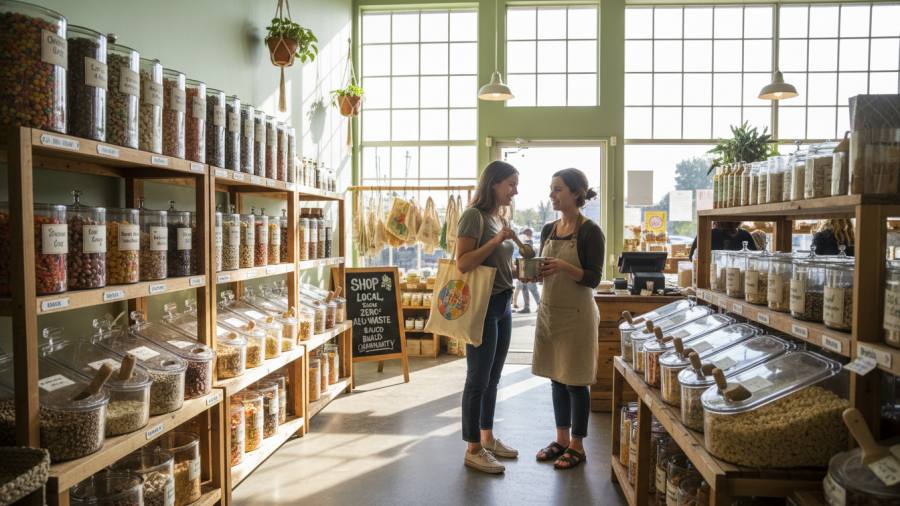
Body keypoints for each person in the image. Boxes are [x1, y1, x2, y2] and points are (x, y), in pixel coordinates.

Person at [530, 168, 605, 470]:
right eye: (551, 189)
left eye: (558, 189)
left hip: (577, 316)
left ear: (576, 193)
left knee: (576, 382)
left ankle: (578, 444)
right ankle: (561, 438)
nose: (552, 195)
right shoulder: (548, 228)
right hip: (550, 311)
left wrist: (563, 267)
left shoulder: (590, 231)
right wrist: (532, 274)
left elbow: (594, 279)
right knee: (556, 379)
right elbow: (542, 268)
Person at [456, 160, 520, 474]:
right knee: (477, 379)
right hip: (483, 307)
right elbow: (463, 264)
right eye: (511, 184)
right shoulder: (473, 216)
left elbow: (498, 264)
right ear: (493, 183)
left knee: (493, 379)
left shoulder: (498, 217)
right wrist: (496, 241)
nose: (515, 191)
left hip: (504, 303)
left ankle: (488, 438)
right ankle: (473, 449)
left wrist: (520, 273)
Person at [688, 221, 758, 260]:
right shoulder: (744, 234)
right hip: (740, 278)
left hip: (709, 277)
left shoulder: (705, 233)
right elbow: (755, 258)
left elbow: (692, 257)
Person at [516, 228, 541, 314]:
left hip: (529, 268)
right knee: (525, 288)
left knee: (532, 288)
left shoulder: (529, 243)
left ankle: (538, 306)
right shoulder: (528, 242)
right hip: (526, 267)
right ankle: (528, 307)